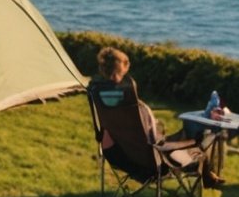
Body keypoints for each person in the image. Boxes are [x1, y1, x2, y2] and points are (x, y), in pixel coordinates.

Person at [88, 46, 216, 186]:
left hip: (121, 158)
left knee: (190, 132)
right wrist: (192, 141)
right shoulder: (139, 109)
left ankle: (209, 174)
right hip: (152, 163)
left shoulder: (100, 100)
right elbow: (156, 143)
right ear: (121, 72)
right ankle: (208, 173)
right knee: (201, 137)